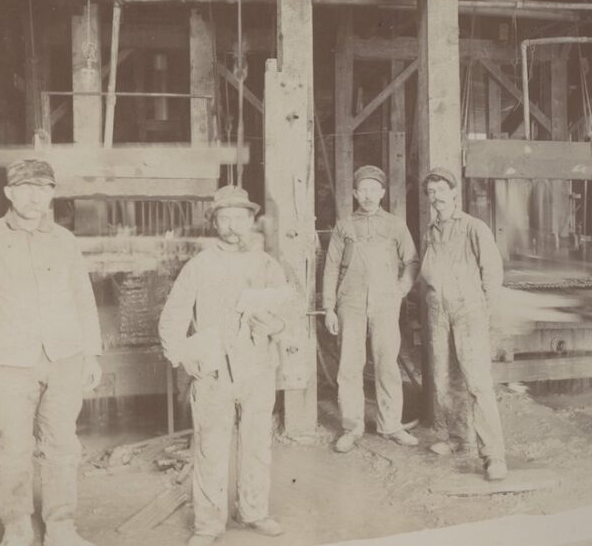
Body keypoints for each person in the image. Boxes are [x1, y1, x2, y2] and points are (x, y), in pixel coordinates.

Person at [0, 158, 102, 546]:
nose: (34, 197)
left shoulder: (65, 242)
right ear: (9, 193)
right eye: (26, 188)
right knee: (13, 451)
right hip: (7, 363)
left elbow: (84, 300)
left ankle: (61, 527)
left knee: (62, 446)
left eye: (43, 189)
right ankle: (17, 528)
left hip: (64, 359)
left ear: (52, 194)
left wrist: (92, 354)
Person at [158, 185, 290, 545]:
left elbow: (287, 312)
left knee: (256, 443)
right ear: (214, 222)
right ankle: (208, 525)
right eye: (225, 217)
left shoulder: (267, 265)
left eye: (240, 218)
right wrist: (184, 356)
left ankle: (253, 512)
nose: (232, 225)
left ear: (251, 221)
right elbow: (172, 319)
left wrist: (275, 326)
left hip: (258, 368)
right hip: (213, 371)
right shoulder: (199, 266)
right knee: (210, 447)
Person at [322, 165, 420, 453]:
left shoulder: (395, 225)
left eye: (373, 189)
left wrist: (401, 289)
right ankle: (351, 428)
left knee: (387, 365)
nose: (367, 195)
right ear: (354, 193)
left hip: (385, 305)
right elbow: (329, 269)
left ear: (382, 193)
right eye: (362, 190)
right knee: (349, 367)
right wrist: (328, 307)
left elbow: (412, 261)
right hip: (350, 304)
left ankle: (390, 425)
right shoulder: (344, 226)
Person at [419, 166, 508, 481]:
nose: (436, 196)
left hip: (469, 311)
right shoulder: (432, 231)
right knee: (445, 380)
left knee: (477, 384)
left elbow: (492, 272)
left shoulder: (473, 227)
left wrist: (487, 314)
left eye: (442, 190)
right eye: (431, 192)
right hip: (439, 313)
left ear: (454, 193)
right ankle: (459, 438)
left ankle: (494, 455)